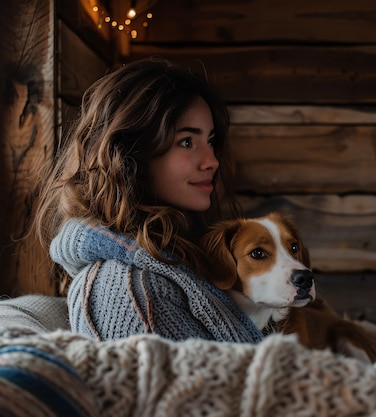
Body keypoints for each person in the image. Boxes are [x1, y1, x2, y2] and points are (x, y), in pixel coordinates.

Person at [33, 57, 263, 343]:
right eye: (187, 142)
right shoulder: (128, 293)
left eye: (211, 141)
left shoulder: (178, 255)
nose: (212, 161)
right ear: (131, 152)